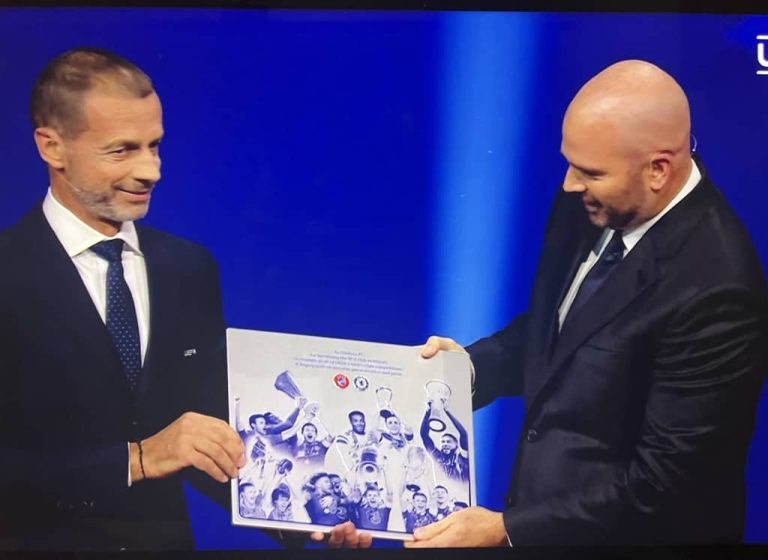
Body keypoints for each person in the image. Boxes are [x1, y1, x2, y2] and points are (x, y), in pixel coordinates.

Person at [317, 59, 768, 548]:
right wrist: (465, 370)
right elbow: (564, 327)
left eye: (589, 172)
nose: (570, 184)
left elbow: (664, 484)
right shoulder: (594, 196)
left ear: (658, 170)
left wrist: (507, 529)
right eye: (569, 163)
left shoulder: (718, 289)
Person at [0, 48, 244, 550]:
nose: (151, 171)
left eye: (154, 146)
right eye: (122, 150)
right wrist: (137, 459)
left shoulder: (188, 269)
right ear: (52, 147)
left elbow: (206, 436)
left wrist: (304, 513)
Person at [419, 409, 470, 482]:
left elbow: (463, 434)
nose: (445, 444)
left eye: (449, 442)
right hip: (441, 488)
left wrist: (447, 411)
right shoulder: (437, 457)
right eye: (443, 442)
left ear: (456, 446)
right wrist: (428, 411)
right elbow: (424, 434)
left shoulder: (461, 459)